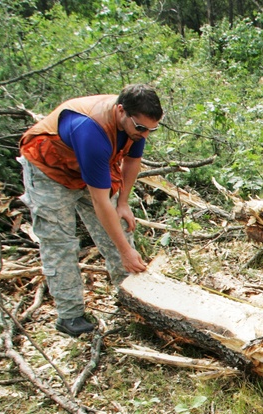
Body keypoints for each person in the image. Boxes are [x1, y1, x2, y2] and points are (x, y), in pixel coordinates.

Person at [18, 84, 163, 336]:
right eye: (141, 128)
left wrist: (124, 202)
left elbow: (132, 160)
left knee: (120, 232)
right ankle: (70, 316)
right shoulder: (91, 131)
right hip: (49, 171)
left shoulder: (136, 126)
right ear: (120, 111)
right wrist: (126, 252)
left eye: (152, 129)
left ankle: (133, 300)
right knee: (60, 243)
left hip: (89, 166)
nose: (145, 135)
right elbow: (99, 202)